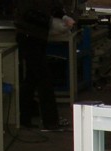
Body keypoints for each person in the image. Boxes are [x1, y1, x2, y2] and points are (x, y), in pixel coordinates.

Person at [15, 0, 74, 131]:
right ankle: (51, 122)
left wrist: (63, 16)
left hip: (37, 37)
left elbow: (53, 5)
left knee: (31, 79)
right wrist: (50, 21)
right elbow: (27, 13)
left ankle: (24, 118)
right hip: (29, 37)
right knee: (44, 79)